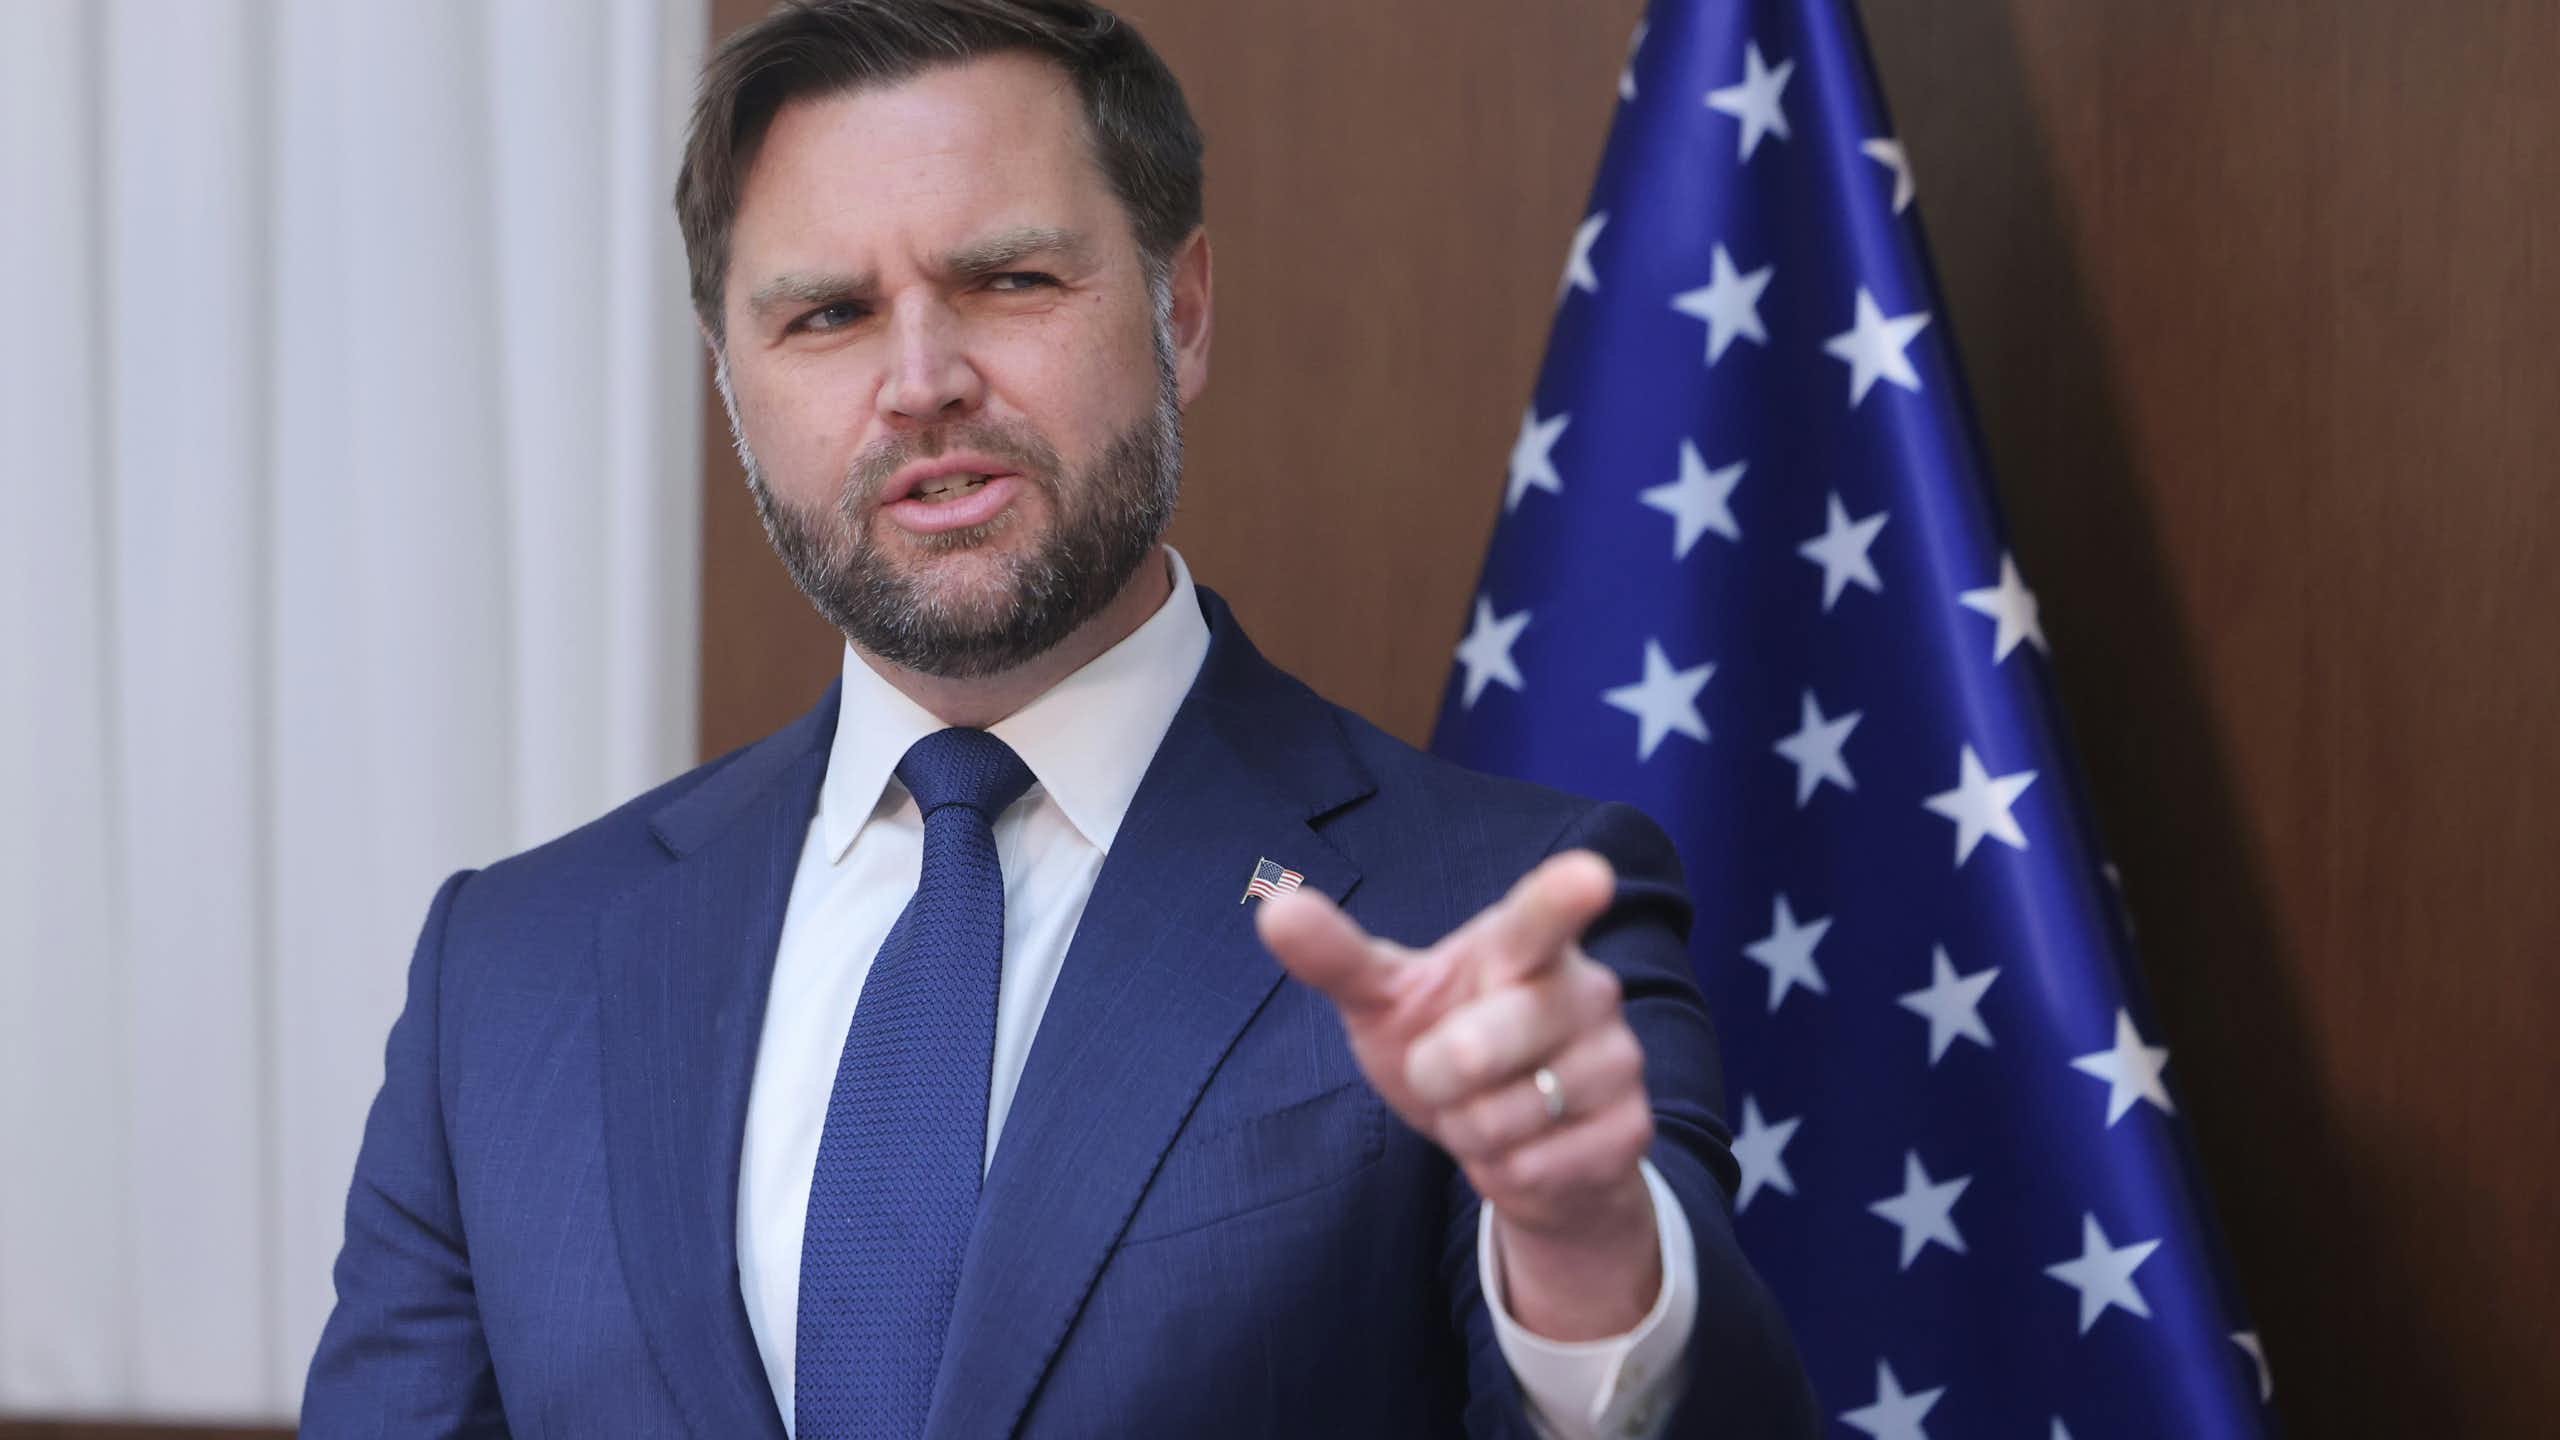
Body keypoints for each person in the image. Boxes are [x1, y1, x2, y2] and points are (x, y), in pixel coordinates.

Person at [301, 2, 1817, 1435]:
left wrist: (1581, 1249)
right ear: (731, 385)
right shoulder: (506, 978)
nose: (919, 382)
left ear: (1186, 311)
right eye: (827, 314)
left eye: (1009, 281)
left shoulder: (1490, 915)